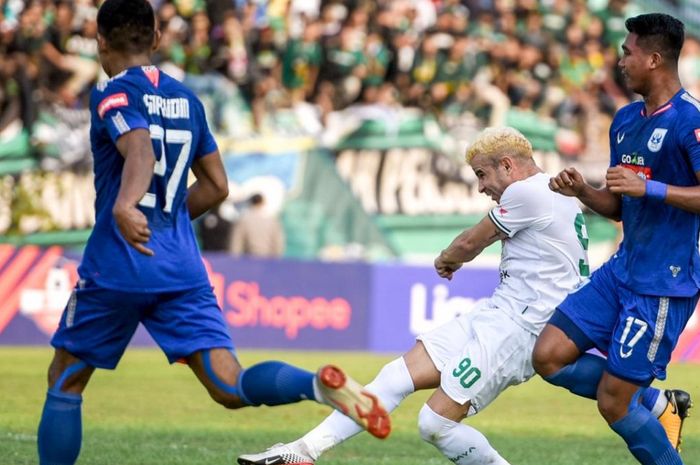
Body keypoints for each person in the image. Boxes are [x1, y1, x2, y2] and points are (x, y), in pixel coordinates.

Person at [36, 2, 390, 465]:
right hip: (181, 265)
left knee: (66, 380)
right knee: (230, 385)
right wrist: (171, 218)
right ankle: (314, 385)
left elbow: (139, 150)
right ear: (157, 38)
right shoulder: (188, 99)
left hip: (120, 261)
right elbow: (218, 186)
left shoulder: (112, 94)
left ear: (100, 40)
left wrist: (127, 206)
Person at [238, 126, 591, 465]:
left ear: (507, 165)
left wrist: (446, 260)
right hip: (501, 312)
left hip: (520, 328)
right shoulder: (557, 192)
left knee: (435, 424)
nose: (481, 187)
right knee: (394, 376)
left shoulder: (526, 191)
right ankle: (302, 451)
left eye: (482, 175)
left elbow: (471, 242)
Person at [532, 13, 700, 465]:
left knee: (613, 402)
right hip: (621, 272)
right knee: (548, 357)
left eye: (627, 52)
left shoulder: (690, 121)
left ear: (654, 58)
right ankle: (657, 404)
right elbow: (619, 205)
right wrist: (584, 191)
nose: (620, 61)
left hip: (661, 285)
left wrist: (651, 188)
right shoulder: (625, 120)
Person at [230, 193, 285, 258]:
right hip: (268, 261)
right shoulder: (272, 220)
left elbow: (236, 244)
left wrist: (235, 261)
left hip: (249, 260)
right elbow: (278, 243)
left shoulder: (244, 219)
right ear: (263, 202)